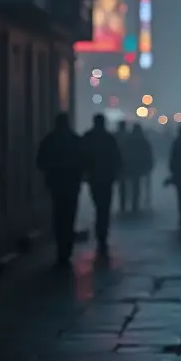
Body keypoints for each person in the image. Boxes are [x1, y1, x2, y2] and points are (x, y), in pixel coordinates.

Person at [36, 113, 84, 264]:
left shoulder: (50, 140)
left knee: (58, 216)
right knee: (69, 216)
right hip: (72, 183)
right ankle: (66, 248)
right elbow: (84, 160)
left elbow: (40, 161)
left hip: (56, 184)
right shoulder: (76, 140)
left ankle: (61, 248)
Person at [81, 114, 121, 255]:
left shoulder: (88, 137)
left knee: (98, 205)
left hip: (94, 177)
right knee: (104, 208)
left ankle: (100, 233)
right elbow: (117, 157)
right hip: (107, 178)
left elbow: (81, 156)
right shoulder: (109, 138)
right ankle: (102, 234)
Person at [126, 124, 154, 212]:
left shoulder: (129, 140)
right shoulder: (143, 140)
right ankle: (138, 201)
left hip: (131, 165)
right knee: (138, 185)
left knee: (131, 184)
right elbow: (148, 153)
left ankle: (131, 201)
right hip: (141, 165)